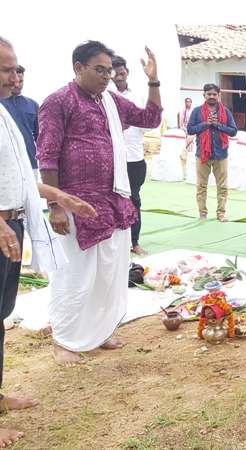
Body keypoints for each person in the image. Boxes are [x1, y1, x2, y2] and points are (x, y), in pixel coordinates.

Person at [37, 40, 163, 365]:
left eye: (109, 70)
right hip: (75, 205)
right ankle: (63, 340)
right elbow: (47, 157)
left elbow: (150, 118)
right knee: (76, 276)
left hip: (113, 203)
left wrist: (153, 80)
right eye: (99, 70)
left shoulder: (111, 101)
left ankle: (100, 330)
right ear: (78, 67)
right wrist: (56, 206)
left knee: (109, 273)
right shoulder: (58, 102)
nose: (106, 76)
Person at [0, 36, 99, 447]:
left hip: (15, 224)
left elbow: (20, 176)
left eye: (15, 66)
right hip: (2, 226)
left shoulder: (5, 114)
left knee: (1, 316)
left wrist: (58, 196)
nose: (15, 74)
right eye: (7, 68)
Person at [111, 55, 149, 256]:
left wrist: (129, 122)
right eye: (114, 70)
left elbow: (148, 123)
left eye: (122, 69)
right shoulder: (104, 96)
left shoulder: (138, 97)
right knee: (110, 201)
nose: (119, 73)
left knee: (134, 201)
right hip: (110, 159)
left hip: (134, 158)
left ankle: (134, 242)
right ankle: (114, 243)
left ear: (127, 72)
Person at [187, 83, 237, 222]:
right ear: (204, 95)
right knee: (201, 186)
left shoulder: (225, 112)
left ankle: (221, 213)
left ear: (219, 96)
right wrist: (206, 124)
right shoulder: (197, 111)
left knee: (222, 186)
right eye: (209, 94)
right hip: (202, 154)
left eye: (214, 94)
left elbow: (233, 131)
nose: (212, 96)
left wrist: (217, 125)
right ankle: (202, 213)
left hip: (221, 154)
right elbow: (190, 129)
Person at [0, 65, 38, 172]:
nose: (17, 84)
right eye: (14, 80)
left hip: (31, 164)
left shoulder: (33, 105)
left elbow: (40, 137)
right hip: (5, 164)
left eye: (21, 81)